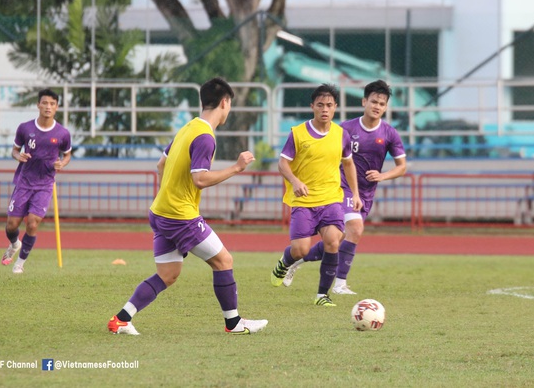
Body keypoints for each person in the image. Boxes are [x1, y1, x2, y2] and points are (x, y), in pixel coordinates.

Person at [108, 77, 268, 336]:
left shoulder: (187, 128)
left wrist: (170, 195)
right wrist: (237, 167)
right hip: (180, 216)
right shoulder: (205, 137)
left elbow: (161, 165)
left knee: (168, 274)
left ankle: (121, 319)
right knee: (224, 260)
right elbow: (200, 179)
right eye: (230, 105)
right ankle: (234, 323)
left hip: (159, 211)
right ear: (225, 103)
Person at [282, 80, 407, 294]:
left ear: (386, 107)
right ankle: (339, 284)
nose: (377, 106)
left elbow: (402, 166)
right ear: (364, 101)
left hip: (366, 193)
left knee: (338, 240)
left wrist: (383, 175)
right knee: (355, 230)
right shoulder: (346, 129)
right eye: (373, 101)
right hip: (341, 188)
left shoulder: (389, 133)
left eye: (382, 103)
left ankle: (296, 261)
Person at [270, 84, 362, 306]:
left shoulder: (342, 135)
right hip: (303, 201)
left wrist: (356, 194)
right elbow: (283, 163)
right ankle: (285, 261)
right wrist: (295, 181)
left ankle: (322, 295)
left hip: (331, 199)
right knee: (300, 249)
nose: (325, 109)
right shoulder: (298, 133)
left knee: (333, 242)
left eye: (329, 105)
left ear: (335, 108)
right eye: (320, 105)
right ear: (312, 106)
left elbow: (348, 164)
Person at [0, 89, 72, 274]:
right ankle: (15, 243)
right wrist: (19, 155)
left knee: (32, 223)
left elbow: (67, 153)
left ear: (57, 107)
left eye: (52, 104)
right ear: (38, 105)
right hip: (24, 182)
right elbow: (14, 150)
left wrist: (62, 163)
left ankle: (20, 264)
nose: (48, 107)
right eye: (45, 103)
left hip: (45, 184)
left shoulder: (62, 133)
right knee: (11, 225)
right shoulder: (25, 128)